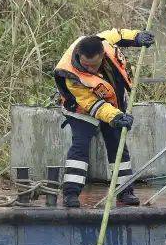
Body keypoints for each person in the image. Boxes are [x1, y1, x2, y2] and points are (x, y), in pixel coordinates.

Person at [53, 28, 156, 207]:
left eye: (93, 65)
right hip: (81, 108)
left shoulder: (104, 42)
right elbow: (92, 104)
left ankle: (124, 191)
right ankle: (70, 194)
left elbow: (121, 34)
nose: (90, 69)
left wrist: (137, 37)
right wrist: (115, 117)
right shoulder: (70, 74)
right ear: (79, 55)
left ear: (102, 54)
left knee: (118, 145)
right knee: (80, 146)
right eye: (85, 66)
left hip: (111, 102)